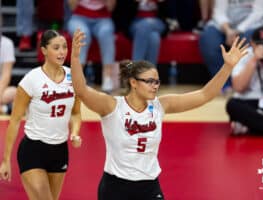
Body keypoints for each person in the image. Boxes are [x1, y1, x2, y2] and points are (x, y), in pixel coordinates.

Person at [71, 29, 248, 199]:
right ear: (133, 82)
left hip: (149, 187)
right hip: (116, 187)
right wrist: (76, 58)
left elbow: (204, 95)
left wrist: (227, 67)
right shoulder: (112, 106)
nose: (155, 85)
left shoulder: (160, 105)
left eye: (156, 81)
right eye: (149, 81)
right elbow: (81, 90)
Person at [0, 30, 82, 200]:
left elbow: (75, 113)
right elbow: (14, 121)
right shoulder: (31, 80)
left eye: (64, 47)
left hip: (60, 150)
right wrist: (6, 160)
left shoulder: (73, 77)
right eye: (56, 47)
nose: (62, 52)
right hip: (33, 150)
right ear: (44, 50)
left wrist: (74, 132)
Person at [199, 0, 263, 90]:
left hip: (253, 22)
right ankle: (223, 84)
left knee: (251, 38)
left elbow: (259, 12)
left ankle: (245, 83)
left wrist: (238, 31)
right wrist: (228, 31)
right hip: (226, 25)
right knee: (208, 39)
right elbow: (219, 12)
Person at [67, 0, 117, 92]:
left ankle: (107, 77)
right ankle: (77, 76)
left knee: (106, 32)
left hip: (103, 18)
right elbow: (72, 6)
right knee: (83, 33)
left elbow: (111, 8)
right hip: (78, 17)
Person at [0, 35, 17, 114]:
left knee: (14, 92)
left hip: (1, 91)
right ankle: (4, 109)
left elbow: (6, 76)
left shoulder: (6, 43)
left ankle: (4, 109)